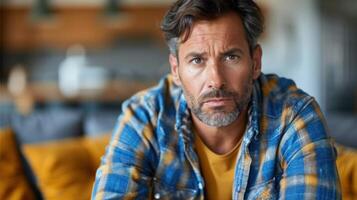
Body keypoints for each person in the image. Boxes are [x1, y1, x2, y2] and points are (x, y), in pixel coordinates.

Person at [92, 0, 341, 199]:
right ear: (176, 70)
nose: (216, 80)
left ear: (255, 63)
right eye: (197, 60)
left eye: (231, 57)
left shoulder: (295, 115)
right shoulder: (144, 116)